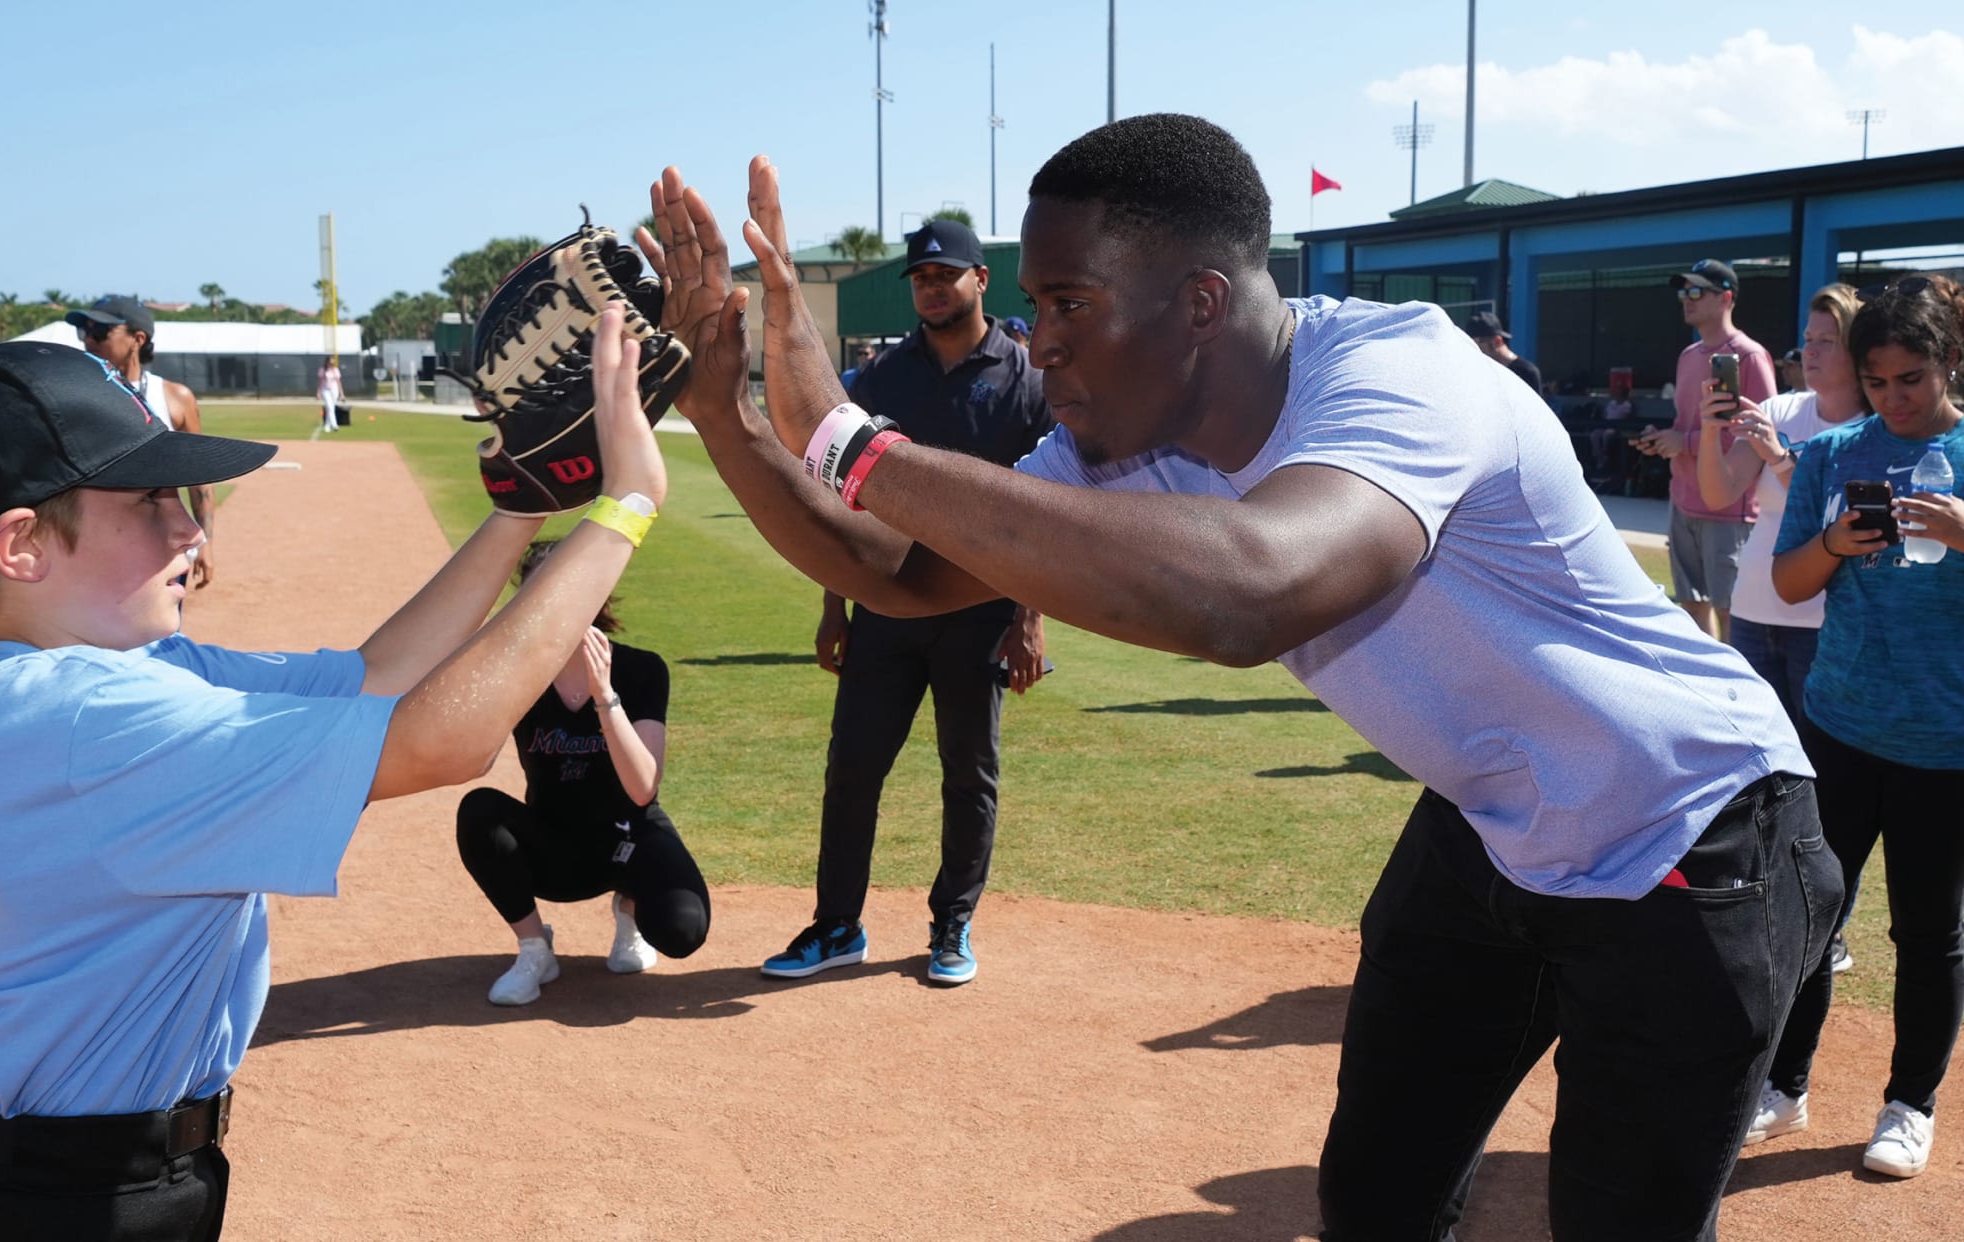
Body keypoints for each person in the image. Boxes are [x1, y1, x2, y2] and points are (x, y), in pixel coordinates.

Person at [638, 114, 1835, 1240]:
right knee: (1375, 1198)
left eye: (1070, 302)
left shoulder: (1400, 375)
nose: (1041, 341)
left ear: (1200, 303)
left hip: (1685, 823)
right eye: (1035, 305)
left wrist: (847, 435)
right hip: (1491, 824)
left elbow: (1250, 592)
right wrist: (729, 413)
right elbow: (894, 568)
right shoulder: (1126, 441)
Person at [0, 313, 666, 1241]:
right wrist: (625, 508)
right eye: (149, 502)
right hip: (74, 1203)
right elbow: (439, 742)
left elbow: (380, 675)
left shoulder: (120, 671)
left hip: (122, 1179)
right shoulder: (91, 717)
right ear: (19, 544)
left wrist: (523, 507)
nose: (191, 529)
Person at [761, 217, 1053, 987]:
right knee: (852, 771)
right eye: (920, 278)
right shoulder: (881, 379)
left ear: (980, 279)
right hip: (884, 609)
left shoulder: (1025, 381)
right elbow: (840, 505)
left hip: (982, 612)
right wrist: (835, 607)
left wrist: (1029, 620)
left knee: (969, 773)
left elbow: (1043, 514)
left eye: (944, 275)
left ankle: (952, 924)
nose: (931, 288)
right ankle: (836, 925)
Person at [1758, 274, 1964, 1179]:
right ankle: (1784, 1086)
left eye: (1910, 378)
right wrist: (1834, 544)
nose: (1893, 398)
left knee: (1927, 934)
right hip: (1839, 726)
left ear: (1950, 361)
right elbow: (1787, 582)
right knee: (1808, 916)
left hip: (1946, 746)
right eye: (1876, 381)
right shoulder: (1832, 452)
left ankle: (1910, 1104)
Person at [1692, 284, 1868, 979]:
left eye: (1826, 341)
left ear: (1858, 350)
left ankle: (1829, 928)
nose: (1809, 352)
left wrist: (1783, 459)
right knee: (1757, 771)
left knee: (1825, 783)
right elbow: (1717, 493)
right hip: (1756, 614)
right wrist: (1714, 430)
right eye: (1808, 339)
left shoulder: (1873, 427)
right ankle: (1766, 913)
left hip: (1825, 622)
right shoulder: (1782, 409)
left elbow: (1840, 517)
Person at [455, 541, 709, 1005]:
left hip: (630, 837)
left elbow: (642, 788)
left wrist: (604, 695)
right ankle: (536, 950)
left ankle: (630, 910)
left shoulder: (641, 669)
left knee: (682, 929)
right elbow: (471, 763)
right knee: (478, 810)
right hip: (555, 846)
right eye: (538, 598)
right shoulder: (519, 675)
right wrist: (492, 681)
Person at [1632, 259, 1778, 641]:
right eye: (1684, 292)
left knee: (1732, 610)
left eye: (1697, 291)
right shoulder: (1688, 356)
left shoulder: (1749, 356)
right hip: (1683, 500)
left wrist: (1685, 442)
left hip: (1729, 508)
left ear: (1726, 298)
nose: (1687, 299)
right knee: (1691, 604)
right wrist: (1662, 438)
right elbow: (1685, 424)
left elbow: (1762, 432)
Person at [68, 295, 217, 589]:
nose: (88, 340)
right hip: (97, 551)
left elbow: (199, 480)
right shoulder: (74, 398)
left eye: (100, 331)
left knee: (163, 618)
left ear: (138, 339)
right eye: (84, 331)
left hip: (163, 550)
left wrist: (206, 543)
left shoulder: (175, 398)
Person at [1465, 310, 1541, 393]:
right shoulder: (1479, 372)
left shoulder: (1526, 373)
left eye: (1477, 343)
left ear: (1497, 341)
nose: (1474, 349)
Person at [316, 356, 345, 433]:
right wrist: (318, 392)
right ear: (327, 362)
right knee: (329, 406)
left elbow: (338, 382)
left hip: (334, 390)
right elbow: (320, 382)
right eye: (330, 362)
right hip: (325, 390)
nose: (331, 364)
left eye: (332, 363)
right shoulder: (322, 370)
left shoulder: (335, 370)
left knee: (331, 408)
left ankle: (327, 425)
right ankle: (334, 425)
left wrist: (342, 393)